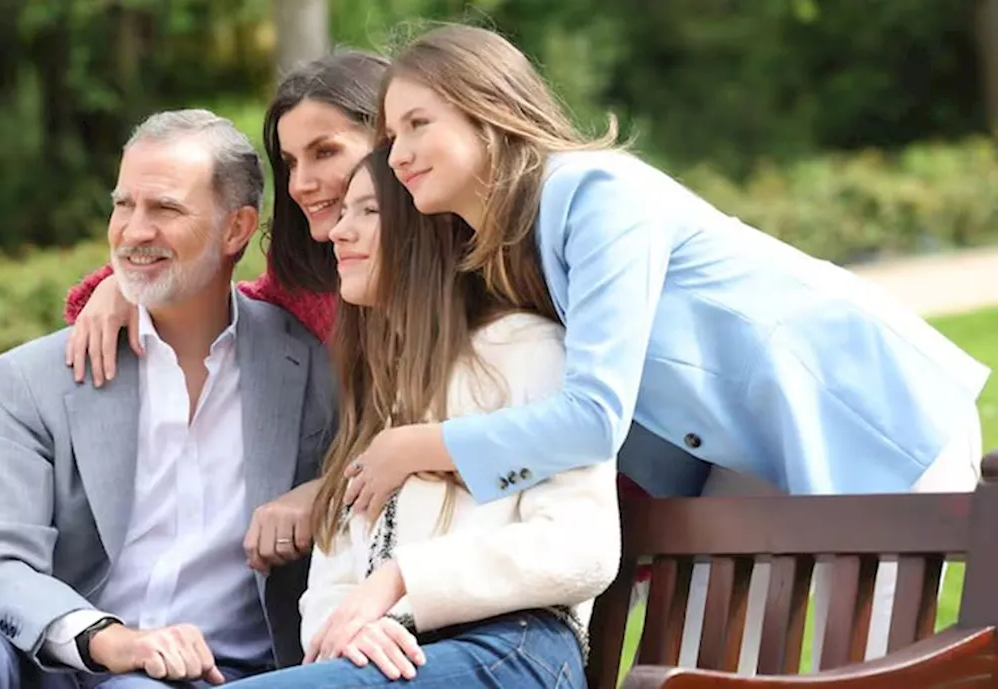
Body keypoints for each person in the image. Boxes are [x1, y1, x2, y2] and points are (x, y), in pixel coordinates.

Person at [343, 23, 990, 668]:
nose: (398, 154)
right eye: (392, 136)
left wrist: (420, 445)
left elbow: (594, 416)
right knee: (702, 667)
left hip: (866, 410)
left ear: (489, 109)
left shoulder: (589, 193)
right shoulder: (515, 248)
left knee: (866, 665)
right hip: (745, 456)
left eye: (418, 123)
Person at [58, 49, 653, 579]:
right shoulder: (319, 285)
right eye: (290, 162)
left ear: (393, 145)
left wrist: (325, 492)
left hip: (522, 536)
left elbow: (541, 420)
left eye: (326, 152)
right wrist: (123, 285)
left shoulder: (486, 269)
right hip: (390, 566)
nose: (304, 183)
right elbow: (214, 306)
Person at [0, 109, 337, 689]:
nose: (133, 231)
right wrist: (106, 639)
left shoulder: (312, 367)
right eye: (124, 205)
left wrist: (320, 494)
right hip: (57, 653)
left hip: (210, 673)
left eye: (165, 209)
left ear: (237, 229)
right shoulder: (39, 376)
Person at [225, 147, 617, 688]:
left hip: (511, 648)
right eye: (343, 213)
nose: (340, 231)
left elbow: (583, 548)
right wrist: (348, 628)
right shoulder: (378, 391)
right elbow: (332, 581)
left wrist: (403, 581)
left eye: (367, 211)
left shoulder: (526, 349)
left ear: (424, 229)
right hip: (391, 658)